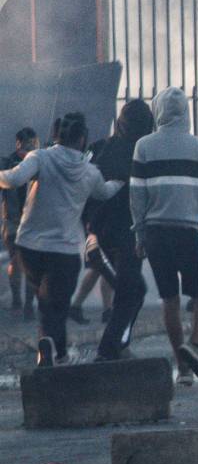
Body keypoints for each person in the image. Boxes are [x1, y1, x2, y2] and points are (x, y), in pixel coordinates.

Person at [0, 113, 120, 365]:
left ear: (57, 135)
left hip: (29, 246)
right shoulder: (90, 172)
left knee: (46, 300)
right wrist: (122, 180)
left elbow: (12, 179)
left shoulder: (39, 157)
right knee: (57, 304)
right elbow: (105, 193)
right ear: (82, 139)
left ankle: (54, 351)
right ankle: (52, 347)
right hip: (64, 250)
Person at [131, 87, 198, 388]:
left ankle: (182, 369)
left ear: (157, 111)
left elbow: (137, 194)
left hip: (155, 233)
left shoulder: (143, 146)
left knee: (169, 298)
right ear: (186, 112)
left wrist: (139, 233)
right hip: (186, 232)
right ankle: (194, 345)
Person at [85, 99, 155, 361]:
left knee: (134, 291)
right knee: (131, 292)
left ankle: (118, 345)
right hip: (116, 236)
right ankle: (109, 349)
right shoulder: (137, 153)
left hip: (113, 235)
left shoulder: (104, 148)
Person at [2, 127, 39, 318]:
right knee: (17, 261)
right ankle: (19, 301)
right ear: (18, 143)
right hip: (13, 221)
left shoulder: (39, 161)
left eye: (33, 143)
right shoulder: (8, 162)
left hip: (32, 221)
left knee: (29, 264)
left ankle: (28, 304)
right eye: (28, 143)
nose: (31, 147)